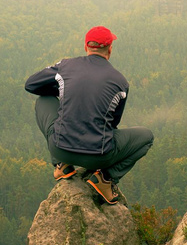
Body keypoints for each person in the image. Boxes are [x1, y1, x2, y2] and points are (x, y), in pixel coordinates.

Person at [25, 26, 154, 205]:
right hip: (99, 156)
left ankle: (61, 165)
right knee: (147, 137)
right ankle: (105, 179)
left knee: (43, 100)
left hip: (59, 148)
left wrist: (64, 90)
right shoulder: (120, 81)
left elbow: (31, 85)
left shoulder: (66, 66)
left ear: (86, 46)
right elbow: (113, 123)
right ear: (110, 49)